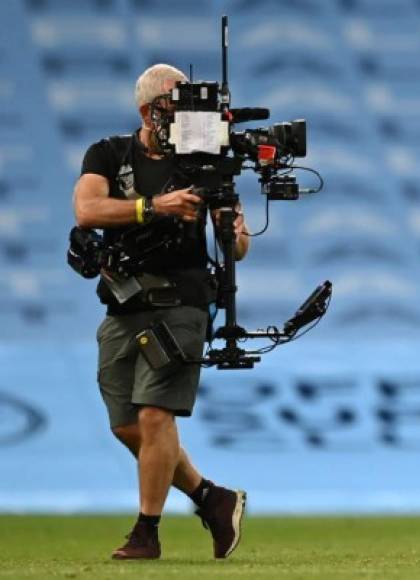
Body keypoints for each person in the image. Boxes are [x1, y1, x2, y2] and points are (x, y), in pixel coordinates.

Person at [72, 64, 249, 560]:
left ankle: (146, 532)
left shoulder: (204, 159)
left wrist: (230, 226)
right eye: (179, 103)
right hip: (123, 303)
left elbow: (237, 248)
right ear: (150, 110)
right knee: (127, 424)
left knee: (154, 416)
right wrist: (155, 207)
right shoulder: (108, 153)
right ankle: (211, 497)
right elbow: (87, 211)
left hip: (183, 302)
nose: (190, 114)